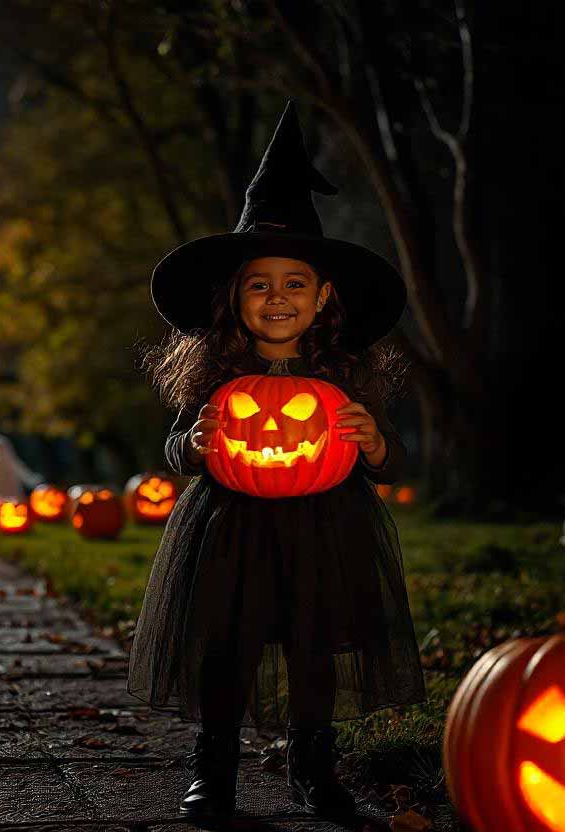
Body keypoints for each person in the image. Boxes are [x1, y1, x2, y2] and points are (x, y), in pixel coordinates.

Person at [127, 100, 426, 823]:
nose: (277, 298)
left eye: (294, 284)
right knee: (226, 651)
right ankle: (213, 772)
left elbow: (389, 459)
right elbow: (178, 445)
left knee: (313, 651)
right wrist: (192, 446)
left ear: (323, 297)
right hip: (232, 529)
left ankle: (314, 770)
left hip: (327, 528)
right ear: (236, 297)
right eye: (259, 284)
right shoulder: (216, 375)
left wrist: (376, 445)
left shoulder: (343, 377)